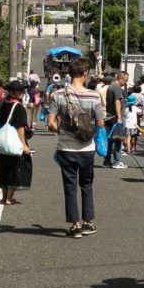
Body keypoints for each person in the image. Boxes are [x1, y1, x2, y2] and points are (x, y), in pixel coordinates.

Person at [48, 56, 106, 238]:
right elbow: (100, 123)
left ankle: (75, 226)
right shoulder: (94, 95)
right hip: (87, 149)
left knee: (70, 186)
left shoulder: (58, 94)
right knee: (87, 185)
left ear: (70, 73)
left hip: (66, 148)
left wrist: (61, 130)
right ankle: (88, 222)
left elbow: (50, 123)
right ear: (86, 73)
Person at [0, 80, 34, 205]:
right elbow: (20, 128)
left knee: (3, 168)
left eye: (23, 90)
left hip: (4, 141)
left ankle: (4, 197)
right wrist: (24, 145)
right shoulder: (18, 107)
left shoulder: (4, 104)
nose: (22, 92)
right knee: (15, 168)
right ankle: (9, 198)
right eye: (19, 90)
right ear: (12, 93)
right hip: (15, 142)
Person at [105, 71, 129, 168]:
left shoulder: (110, 86)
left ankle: (107, 160)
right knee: (118, 139)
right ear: (120, 79)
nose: (126, 82)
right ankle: (116, 161)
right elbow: (117, 102)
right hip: (116, 117)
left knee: (110, 140)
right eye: (125, 80)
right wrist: (119, 117)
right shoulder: (117, 87)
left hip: (110, 116)